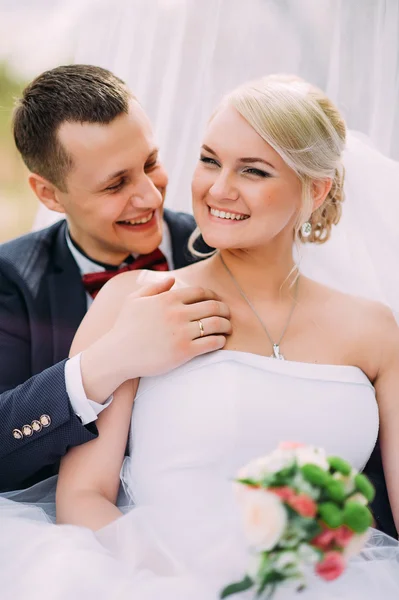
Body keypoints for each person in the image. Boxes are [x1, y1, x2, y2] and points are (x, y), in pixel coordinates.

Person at [1, 74, 399, 599]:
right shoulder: (129, 298)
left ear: (316, 188)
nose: (217, 188)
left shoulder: (374, 330)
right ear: (49, 194)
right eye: (209, 160)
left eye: (253, 170)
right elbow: (83, 494)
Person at [0, 64, 230, 492]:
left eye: (151, 163)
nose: (151, 195)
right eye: (115, 184)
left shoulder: (221, 249)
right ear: (49, 194)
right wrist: (107, 362)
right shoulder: (11, 278)